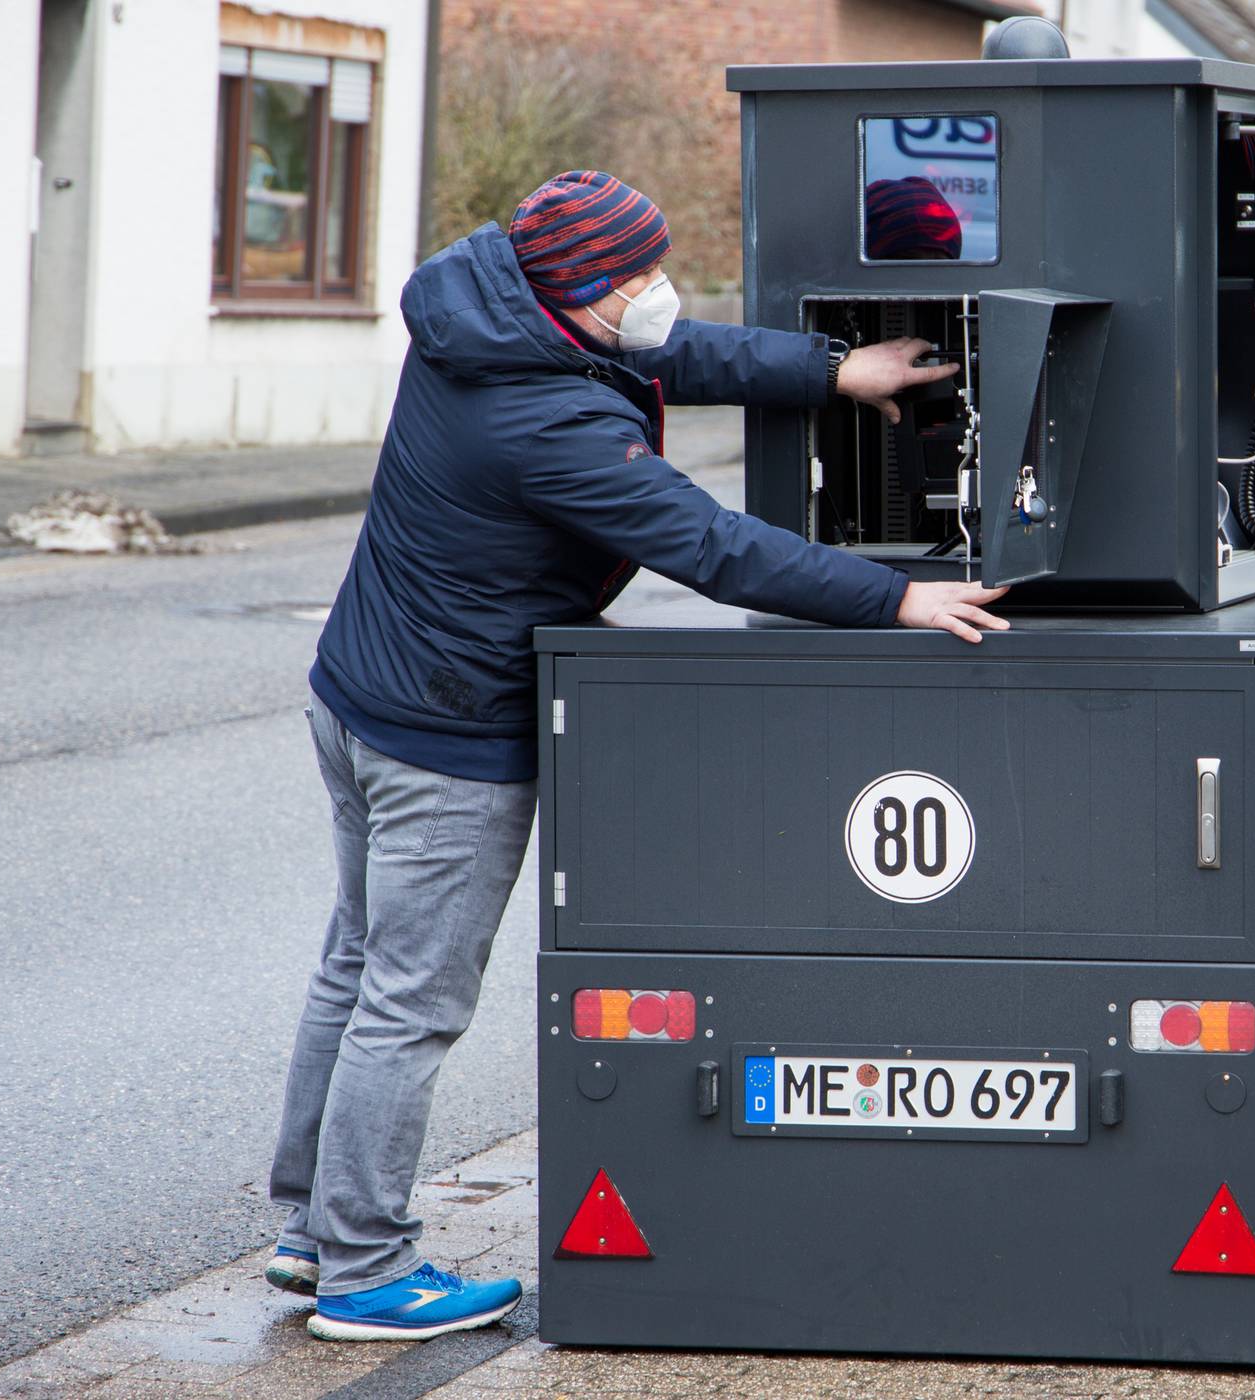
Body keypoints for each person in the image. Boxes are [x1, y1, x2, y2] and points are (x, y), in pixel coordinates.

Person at [265, 170, 1008, 1342]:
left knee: (356, 969)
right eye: (639, 277)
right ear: (581, 293)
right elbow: (707, 544)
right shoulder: (541, 419)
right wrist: (894, 599)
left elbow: (675, 353)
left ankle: (311, 1229)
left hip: (359, 691)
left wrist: (830, 370)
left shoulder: (489, 307)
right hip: (446, 733)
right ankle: (363, 1269)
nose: (658, 292)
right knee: (409, 999)